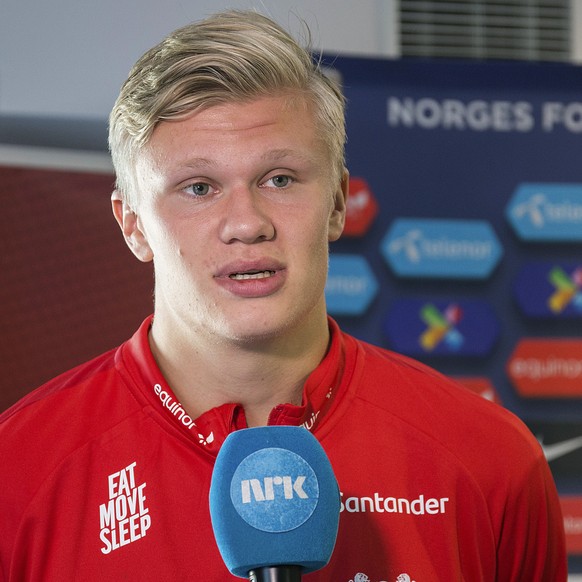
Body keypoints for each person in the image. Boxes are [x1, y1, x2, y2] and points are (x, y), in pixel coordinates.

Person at [0, 9, 567, 582]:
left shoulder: (490, 458)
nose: (247, 224)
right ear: (134, 226)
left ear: (340, 203)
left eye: (280, 179)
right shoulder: (17, 470)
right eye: (199, 188)